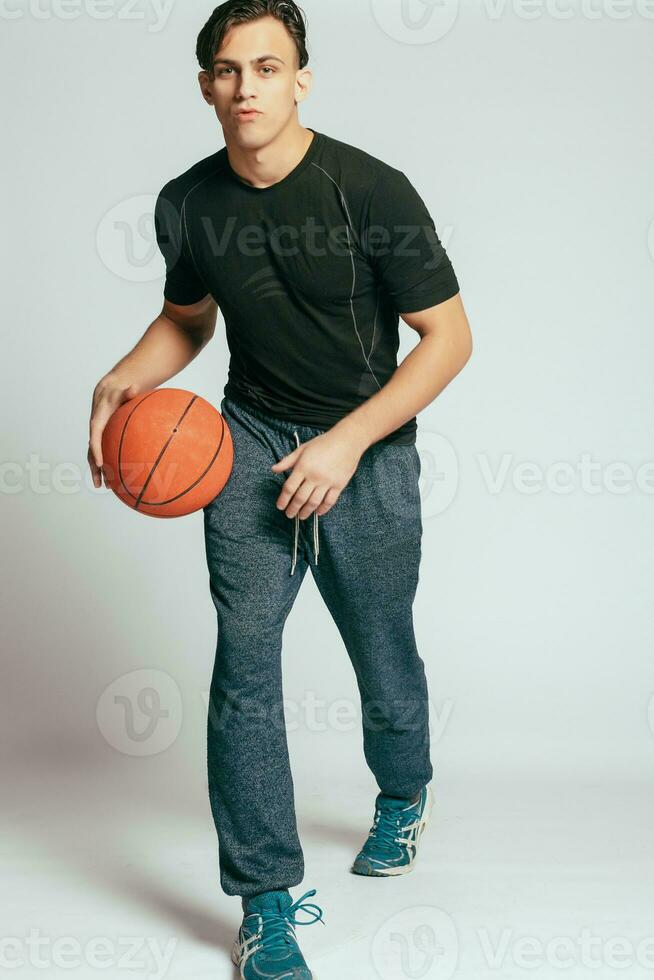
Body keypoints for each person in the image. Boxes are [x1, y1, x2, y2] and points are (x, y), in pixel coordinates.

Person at [87, 1, 473, 977]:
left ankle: (403, 790)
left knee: (379, 638)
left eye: (267, 67)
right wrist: (127, 373)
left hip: (366, 447)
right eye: (226, 69)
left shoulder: (372, 190)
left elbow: (450, 338)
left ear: (302, 78)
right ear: (207, 85)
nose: (245, 86)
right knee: (245, 659)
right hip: (248, 443)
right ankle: (265, 898)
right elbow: (186, 319)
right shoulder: (188, 201)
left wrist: (346, 442)